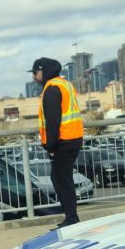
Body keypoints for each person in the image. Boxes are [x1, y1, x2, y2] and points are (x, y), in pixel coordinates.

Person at [30, 57, 84, 228]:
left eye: (35, 72)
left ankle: (71, 217)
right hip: (73, 137)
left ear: (43, 71)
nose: (33, 76)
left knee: (62, 180)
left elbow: (53, 122)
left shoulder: (52, 89)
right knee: (59, 177)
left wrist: (50, 146)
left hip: (63, 140)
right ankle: (70, 215)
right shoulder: (64, 84)